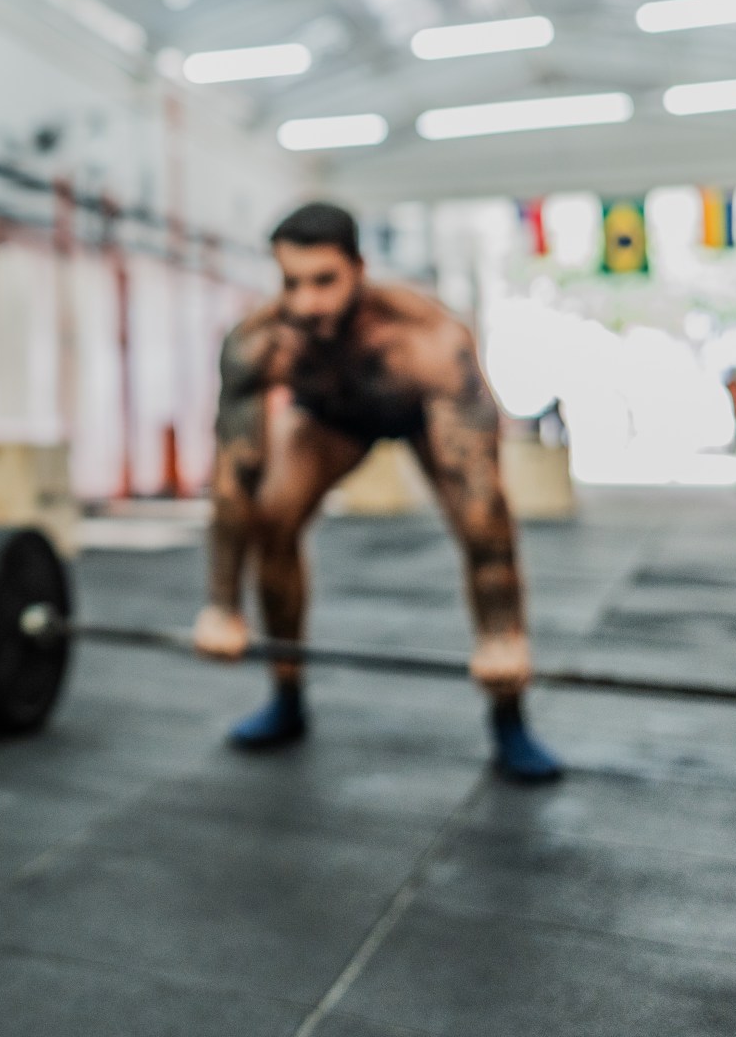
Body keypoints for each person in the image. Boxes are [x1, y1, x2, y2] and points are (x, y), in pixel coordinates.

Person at [191, 201, 562, 782]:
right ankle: (286, 697)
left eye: (324, 281)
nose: (306, 303)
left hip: (417, 413)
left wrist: (502, 638)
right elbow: (233, 477)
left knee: (478, 521)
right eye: (291, 283)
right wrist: (222, 607)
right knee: (270, 517)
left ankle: (509, 716)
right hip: (330, 420)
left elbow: (483, 495)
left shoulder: (429, 340)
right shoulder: (260, 343)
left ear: (359, 269)